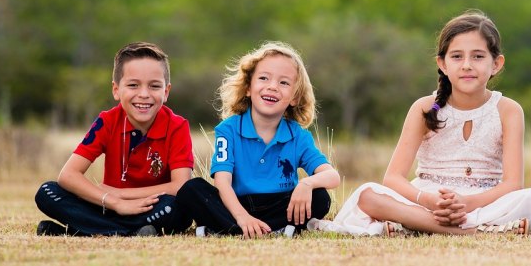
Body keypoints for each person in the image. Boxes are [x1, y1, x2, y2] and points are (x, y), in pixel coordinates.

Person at [310, 10, 531, 236]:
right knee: (368, 195)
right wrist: (428, 200)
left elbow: (513, 184)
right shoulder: (425, 107)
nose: (467, 64)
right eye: (457, 56)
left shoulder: (508, 110)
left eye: (478, 56)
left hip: (483, 201)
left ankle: (416, 226)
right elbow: (393, 178)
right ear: (443, 64)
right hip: (428, 200)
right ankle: (475, 232)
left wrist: (466, 203)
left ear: (496, 63)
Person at [175, 41, 340, 238]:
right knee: (191, 190)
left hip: (279, 206)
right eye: (263, 78)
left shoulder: (298, 136)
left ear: (295, 97)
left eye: (284, 82)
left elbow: (332, 176)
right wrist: (243, 216)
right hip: (235, 205)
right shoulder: (228, 130)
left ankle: (230, 229)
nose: (272, 87)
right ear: (248, 87)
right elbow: (222, 182)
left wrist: (306, 184)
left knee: (320, 198)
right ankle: (249, 228)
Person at [35, 42, 194, 236]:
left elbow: (180, 186)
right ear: (116, 90)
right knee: (47, 192)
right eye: (133, 85)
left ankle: (85, 230)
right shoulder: (107, 121)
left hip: (152, 208)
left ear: (166, 91)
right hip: (109, 207)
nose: (144, 94)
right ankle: (125, 232)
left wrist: (122, 194)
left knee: (175, 209)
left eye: (154, 86)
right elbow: (68, 175)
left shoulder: (177, 126)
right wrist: (115, 202)